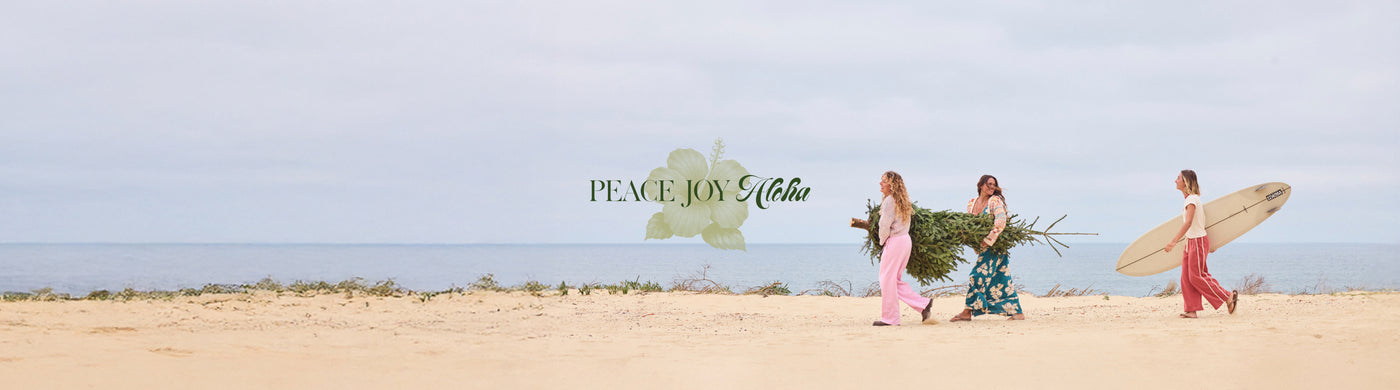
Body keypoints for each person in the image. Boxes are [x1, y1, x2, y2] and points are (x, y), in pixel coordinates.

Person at [950, 175, 1025, 321]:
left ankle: (967, 312)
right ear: (981, 185)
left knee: (976, 276)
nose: (992, 187)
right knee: (1001, 279)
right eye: (989, 184)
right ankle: (1017, 312)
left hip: (994, 246)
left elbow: (1001, 221)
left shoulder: (994, 201)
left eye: (994, 185)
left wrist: (988, 239)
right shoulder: (972, 202)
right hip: (983, 247)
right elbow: (971, 224)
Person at [1165, 170, 1238, 318]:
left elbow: (1189, 223)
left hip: (1197, 241)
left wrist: (1173, 242)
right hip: (1191, 241)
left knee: (1197, 276)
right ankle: (1191, 310)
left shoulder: (1192, 200)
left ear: (1185, 182)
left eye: (1178, 178)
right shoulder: (1189, 199)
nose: (1175, 181)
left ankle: (1227, 296)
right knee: (1186, 278)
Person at [872, 171, 935, 326]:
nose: (881, 183)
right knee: (892, 279)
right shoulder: (903, 201)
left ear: (892, 184)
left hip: (895, 241)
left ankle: (890, 318)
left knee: (886, 279)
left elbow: (884, 225)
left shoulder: (889, 201)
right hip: (905, 241)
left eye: (884, 181)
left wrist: (881, 241)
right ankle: (922, 304)